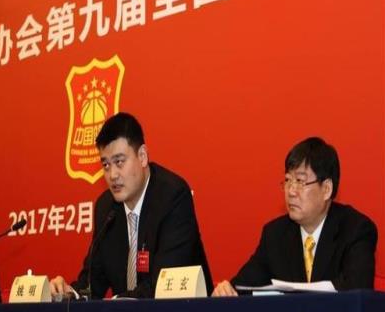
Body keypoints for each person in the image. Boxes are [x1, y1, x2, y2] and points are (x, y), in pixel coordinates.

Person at [50, 112, 213, 298]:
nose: (112, 175)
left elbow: (163, 285)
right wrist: (69, 293)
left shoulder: (172, 196)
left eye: (119, 162)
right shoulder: (106, 208)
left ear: (142, 156)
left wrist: (117, 303)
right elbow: (91, 282)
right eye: (106, 165)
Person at [213, 137, 378, 296]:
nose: (291, 191)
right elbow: (243, 287)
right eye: (287, 181)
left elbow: (357, 294)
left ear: (326, 189)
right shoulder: (275, 235)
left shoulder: (356, 230)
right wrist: (227, 290)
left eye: (300, 181)